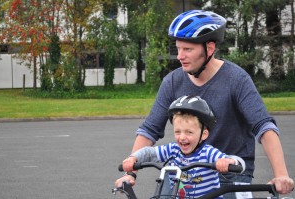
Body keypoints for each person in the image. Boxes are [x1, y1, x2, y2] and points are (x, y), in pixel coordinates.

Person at [116, 9, 294, 197]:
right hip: (183, 174)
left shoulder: (236, 79)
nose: (180, 56)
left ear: (209, 49)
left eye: (188, 49)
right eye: (178, 49)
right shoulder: (172, 81)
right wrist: (131, 172)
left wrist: (281, 175)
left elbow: (263, 126)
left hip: (228, 175)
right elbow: (150, 129)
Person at [116, 95, 246, 198]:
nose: (182, 137)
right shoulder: (173, 150)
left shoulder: (208, 153)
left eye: (189, 132)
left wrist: (227, 162)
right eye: (178, 132)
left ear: (204, 134)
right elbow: (149, 152)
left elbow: (236, 162)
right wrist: (133, 158)